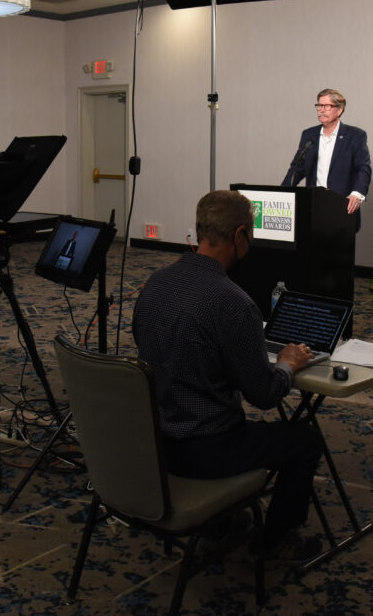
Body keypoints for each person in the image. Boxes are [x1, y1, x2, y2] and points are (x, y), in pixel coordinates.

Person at [132, 190, 326, 561]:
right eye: (250, 237)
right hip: (207, 451)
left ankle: (223, 524)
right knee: (305, 439)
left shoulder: (155, 285)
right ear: (239, 235)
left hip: (155, 447)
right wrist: (287, 363)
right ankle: (273, 543)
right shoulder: (233, 303)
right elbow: (264, 395)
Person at [282, 88, 372, 230]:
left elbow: (363, 168)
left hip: (342, 208)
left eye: (327, 106)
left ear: (339, 110)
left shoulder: (355, 135)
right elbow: (297, 168)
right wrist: (282, 193)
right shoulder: (309, 135)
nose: (321, 110)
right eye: (319, 105)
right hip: (313, 208)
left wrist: (357, 194)